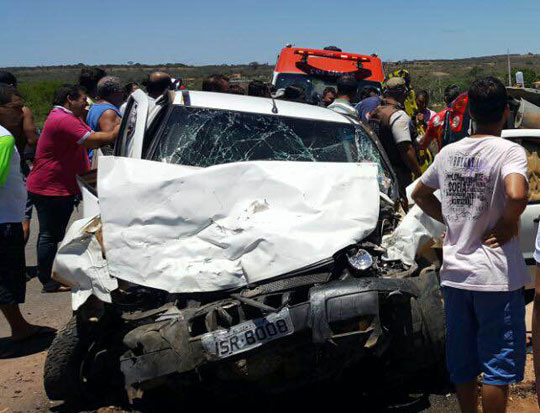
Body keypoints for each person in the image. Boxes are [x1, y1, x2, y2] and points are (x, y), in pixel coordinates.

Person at [412, 77, 529, 413]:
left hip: (455, 277)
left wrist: (451, 220)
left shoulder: (449, 153)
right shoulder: (508, 151)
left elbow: (419, 193)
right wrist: (507, 222)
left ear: (470, 114)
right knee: (497, 368)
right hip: (495, 276)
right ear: (506, 113)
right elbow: (518, 194)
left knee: (462, 364)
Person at [26, 85, 120, 293]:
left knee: (54, 234)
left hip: (58, 184)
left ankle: (53, 275)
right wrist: (118, 130)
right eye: (83, 100)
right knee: (50, 235)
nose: (86, 104)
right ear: (70, 99)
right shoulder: (64, 119)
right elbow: (94, 140)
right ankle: (48, 280)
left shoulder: (67, 116)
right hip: (50, 185)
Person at [0, 84, 55, 341]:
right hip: (4, 220)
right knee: (7, 279)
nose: (21, 112)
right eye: (15, 107)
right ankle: (19, 330)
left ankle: (19, 325)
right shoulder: (4, 137)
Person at [0, 71, 40, 244]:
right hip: (17, 163)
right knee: (21, 218)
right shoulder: (22, 110)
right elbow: (32, 139)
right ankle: (18, 262)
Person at [370, 77, 421, 196]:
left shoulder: (376, 111)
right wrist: (418, 173)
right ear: (402, 94)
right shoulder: (398, 116)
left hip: (379, 171)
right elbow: (405, 149)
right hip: (397, 175)